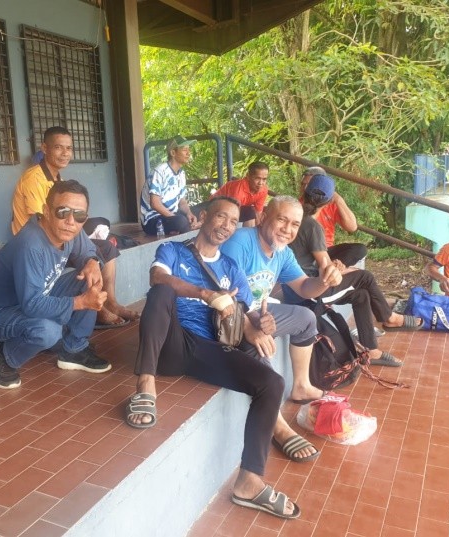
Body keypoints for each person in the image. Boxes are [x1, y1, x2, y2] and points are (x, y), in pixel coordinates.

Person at [126, 196, 300, 520]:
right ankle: (145, 384)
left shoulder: (231, 268)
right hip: (170, 342)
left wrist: (262, 323)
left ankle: (249, 481)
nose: (227, 226)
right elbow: (157, 278)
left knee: (272, 383)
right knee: (161, 292)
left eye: (234, 222)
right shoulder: (172, 251)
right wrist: (205, 294)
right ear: (204, 216)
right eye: (221, 217)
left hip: (206, 348)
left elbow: (247, 315)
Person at [221, 195, 345, 463]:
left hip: (260, 313)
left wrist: (324, 280)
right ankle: (276, 424)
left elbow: (305, 288)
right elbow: (224, 294)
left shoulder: (282, 253)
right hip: (228, 316)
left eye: (294, 224)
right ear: (265, 215)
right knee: (256, 342)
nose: (287, 230)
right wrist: (251, 326)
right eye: (282, 220)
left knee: (306, 317)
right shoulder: (241, 243)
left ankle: (301, 386)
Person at [0, 179, 112, 389]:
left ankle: (73, 350)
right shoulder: (31, 245)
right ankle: (7, 355)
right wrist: (81, 303)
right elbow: (32, 304)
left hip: (38, 295)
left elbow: (87, 250)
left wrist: (92, 262)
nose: (70, 221)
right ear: (46, 211)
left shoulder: (69, 231)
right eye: (62, 211)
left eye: (79, 215)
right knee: (48, 331)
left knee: (90, 278)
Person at [286, 174, 423, 367]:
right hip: (309, 292)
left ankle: (371, 350)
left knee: (361, 296)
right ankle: (389, 317)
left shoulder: (295, 218)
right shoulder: (312, 226)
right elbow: (327, 273)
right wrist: (344, 270)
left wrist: (341, 267)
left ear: (305, 192)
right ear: (329, 201)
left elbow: (322, 261)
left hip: (297, 285)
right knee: (365, 277)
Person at [12, 126, 138, 328]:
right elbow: (42, 221)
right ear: (44, 148)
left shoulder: (58, 179)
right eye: (58, 147)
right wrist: (79, 241)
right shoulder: (33, 178)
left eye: (69, 148)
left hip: (56, 237)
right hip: (40, 244)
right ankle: (97, 308)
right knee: (91, 252)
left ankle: (111, 302)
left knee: (106, 247)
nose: (65, 153)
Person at [299, 166, 366, 268]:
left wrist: (338, 200)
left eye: (309, 184)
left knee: (360, 249)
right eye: (303, 184)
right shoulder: (297, 205)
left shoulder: (331, 204)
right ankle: (328, 269)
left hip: (327, 249)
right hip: (308, 250)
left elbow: (352, 227)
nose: (305, 188)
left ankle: (334, 268)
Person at [140, 135, 201, 236]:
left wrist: (189, 214)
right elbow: (155, 203)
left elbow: (182, 201)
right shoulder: (160, 171)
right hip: (153, 219)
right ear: (173, 153)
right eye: (184, 150)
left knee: (200, 212)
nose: (188, 153)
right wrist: (174, 217)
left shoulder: (181, 174)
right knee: (181, 221)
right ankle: (182, 229)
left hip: (171, 216)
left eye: (188, 150)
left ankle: (181, 228)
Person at [210, 162, 269, 227]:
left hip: (232, 208)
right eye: (257, 178)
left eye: (264, 179)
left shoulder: (263, 190)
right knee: (249, 212)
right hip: (214, 207)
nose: (261, 183)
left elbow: (258, 213)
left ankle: (249, 233)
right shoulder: (238, 190)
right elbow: (232, 213)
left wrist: (259, 230)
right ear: (248, 176)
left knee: (251, 212)